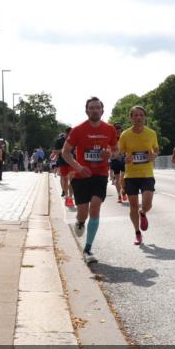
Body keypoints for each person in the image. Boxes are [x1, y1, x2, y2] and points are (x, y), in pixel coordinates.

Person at [61, 97, 117, 263]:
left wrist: (111, 154)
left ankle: (88, 249)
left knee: (95, 206)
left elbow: (116, 149)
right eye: (91, 108)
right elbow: (65, 152)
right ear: (87, 111)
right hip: (81, 176)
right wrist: (78, 167)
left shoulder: (110, 129)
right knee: (83, 212)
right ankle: (79, 222)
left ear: (102, 110)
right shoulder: (78, 130)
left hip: (100, 174)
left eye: (97, 108)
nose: (94, 110)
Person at [118, 106, 159, 246]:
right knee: (133, 205)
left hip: (147, 173)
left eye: (141, 115)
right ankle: (137, 233)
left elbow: (156, 148)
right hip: (131, 175)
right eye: (135, 115)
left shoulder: (151, 133)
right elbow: (118, 153)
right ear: (131, 118)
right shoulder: (125, 134)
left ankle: (143, 213)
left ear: (145, 117)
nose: (138, 117)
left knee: (147, 204)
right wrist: (124, 158)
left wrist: (154, 155)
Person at [52, 129, 73, 206]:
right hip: (63, 162)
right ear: (66, 133)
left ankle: (70, 197)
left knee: (72, 179)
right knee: (65, 179)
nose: (71, 135)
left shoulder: (74, 139)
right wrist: (64, 149)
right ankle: (66, 195)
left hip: (72, 162)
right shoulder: (59, 140)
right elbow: (55, 151)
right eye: (69, 134)